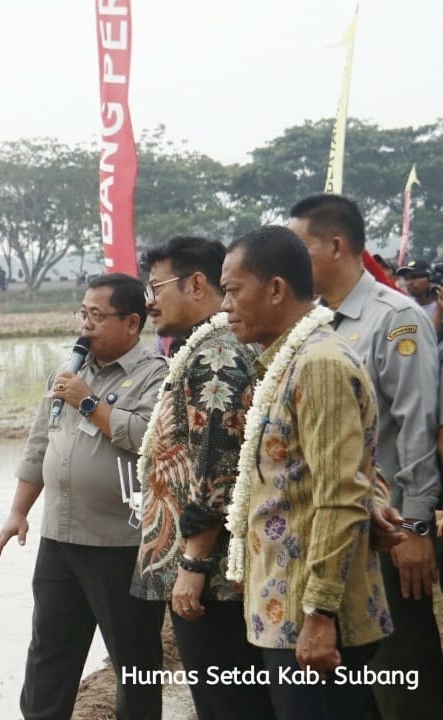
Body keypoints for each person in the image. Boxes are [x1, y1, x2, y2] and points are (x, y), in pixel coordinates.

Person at [220, 226, 391, 720]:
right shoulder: (289, 360)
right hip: (284, 610)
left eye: (233, 291)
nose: (225, 306)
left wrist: (319, 615)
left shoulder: (319, 364)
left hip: (309, 619)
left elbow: (339, 495)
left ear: (274, 289)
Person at [289, 194, 443, 719]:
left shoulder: (392, 318)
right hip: (342, 533)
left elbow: (415, 428)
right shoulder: (314, 322)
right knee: (358, 682)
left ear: (335, 246)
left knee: (405, 678)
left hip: (392, 529)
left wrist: (417, 529)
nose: (292, 258)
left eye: (300, 246)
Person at [0, 274, 167, 720]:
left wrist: (90, 404)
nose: (85, 325)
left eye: (96, 315)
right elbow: (39, 444)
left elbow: (151, 439)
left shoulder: (155, 377)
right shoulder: (66, 374)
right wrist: (18, 512)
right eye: (82, 314)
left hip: (121, 545)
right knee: (49, 652)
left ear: (132, 322)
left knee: (135, 662)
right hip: (59, 540)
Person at [129, 237, 273, 720]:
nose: (149, 300)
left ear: (195, 284)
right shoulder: (207, 347)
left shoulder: (216, 355)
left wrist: (192, 564)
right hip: (208, 571)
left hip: (211, 580)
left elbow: (218, 464)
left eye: (156, 287)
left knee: (228, 703)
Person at [395, 259, 441, 334]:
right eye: (406, 279)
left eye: (414, 277)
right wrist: (439, 311)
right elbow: (426, 339)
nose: (409, 283)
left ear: (430, 278)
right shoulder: (407, 309)